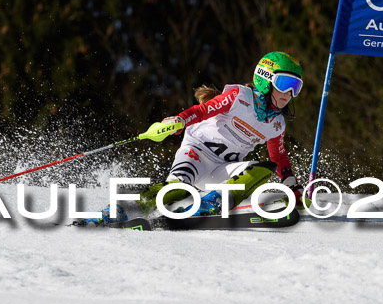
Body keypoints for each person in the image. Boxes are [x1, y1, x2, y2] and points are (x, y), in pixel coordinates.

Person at [100, 51, 306, 223]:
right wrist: (179, 121)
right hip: (196, 153)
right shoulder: (239, 97)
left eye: (295, 87)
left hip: (223, 169)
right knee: (178, 188)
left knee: (263, 169)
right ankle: (125, 209)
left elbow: (279, 158)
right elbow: (202, 111)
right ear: (265, 79)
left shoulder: (277, 124)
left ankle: (213, 202)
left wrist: (291, 184)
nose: (288, 93)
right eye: (284, 83)